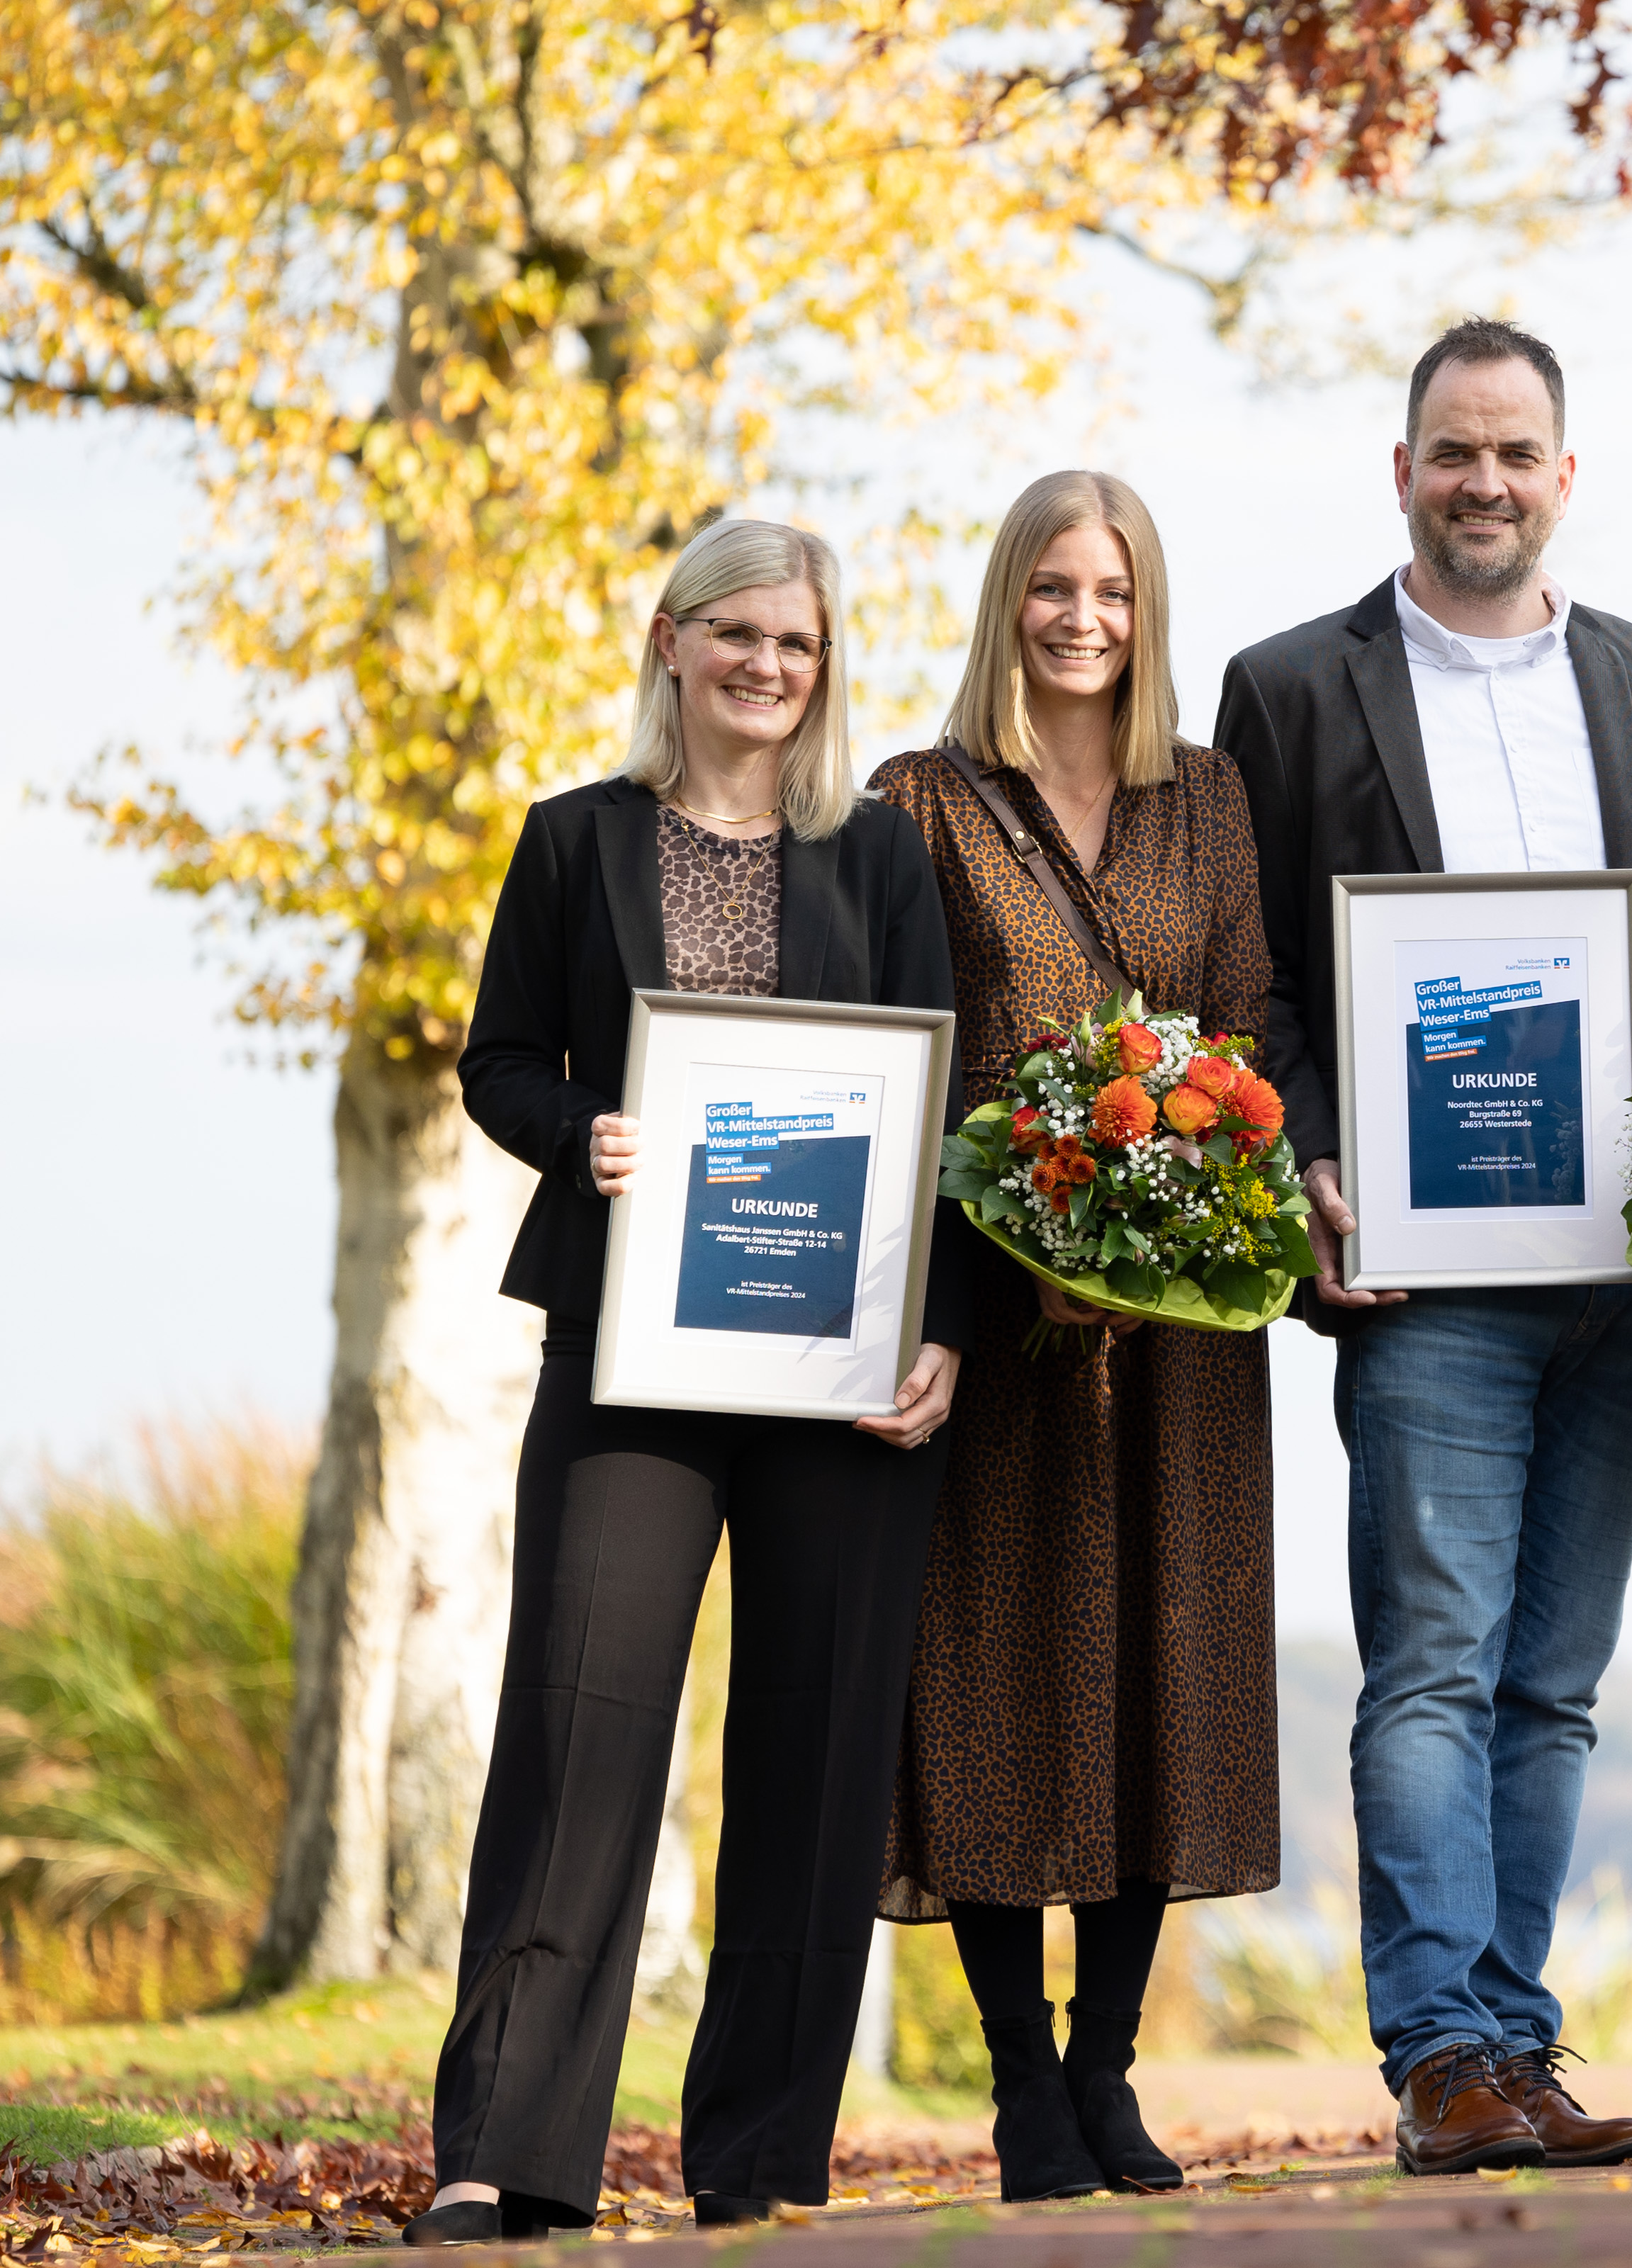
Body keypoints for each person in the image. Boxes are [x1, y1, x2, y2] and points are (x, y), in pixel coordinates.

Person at [1212, 317, 1632, 2177]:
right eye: (1454, 450)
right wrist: (1310, 1153)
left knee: (1554, 1679)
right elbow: (1252, 973)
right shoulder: (1292, 686)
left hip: (1620, 1259)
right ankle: (1438, 2049)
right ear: (1403, 471)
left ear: (1565, 475)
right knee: (1433, 1660)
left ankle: (1517, 2045)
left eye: (1517, 451)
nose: (1485, 481)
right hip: (1423, 1272)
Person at [419, 520, 969, 2245]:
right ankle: (502, 2149)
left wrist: (942, 1330)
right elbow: (499, 1058)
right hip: (629, 1356)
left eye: (797, 641)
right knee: (575, 1736)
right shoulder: (572, 837)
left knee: (812, 1758)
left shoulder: (882, 856)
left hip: (841, 1365)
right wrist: (579, 1127)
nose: (766, 665)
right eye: (737, 632)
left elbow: (940, 1113)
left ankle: (761, 2160)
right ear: (671, 639)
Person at [867, 472, 1281, 2200]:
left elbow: (1245, 1024)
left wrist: (1181, 1204)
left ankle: (1108, 2067)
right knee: (989, 1679)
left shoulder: (1211, 793)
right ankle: (1021, 2078)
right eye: (1051, 586)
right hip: (988, 1316)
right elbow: (895, 1052)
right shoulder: (917, 798)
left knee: (1161, 1676)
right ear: (1007, 603)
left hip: (1178, 1325)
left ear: (1147, 606)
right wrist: (995, 1259)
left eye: (1111, 589)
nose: (1082, 618)